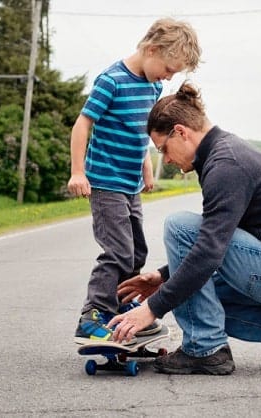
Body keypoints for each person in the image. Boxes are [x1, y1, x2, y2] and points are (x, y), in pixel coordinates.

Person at [108, 83, 261, 374]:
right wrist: (164, 276)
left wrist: (151, 309)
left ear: (181, 132)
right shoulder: (220, 155)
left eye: (163, 149)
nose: (168, 159)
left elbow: (209, 249)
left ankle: (205, 349)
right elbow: (216, 237)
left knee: (179, 227)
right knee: (193, 296)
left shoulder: (226, 164)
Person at [70, 19, 202, 345]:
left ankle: (124, 315)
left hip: (130, 184)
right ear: (152, 49)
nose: (169, 77)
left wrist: (146, 166)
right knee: (117, 251)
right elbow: (82, 125)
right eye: (169, 68)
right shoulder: (111, 81)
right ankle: (93, 317)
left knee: (136, 253)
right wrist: (77, 171)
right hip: (105, 181)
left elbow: (144, 131)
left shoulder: (153, 87)